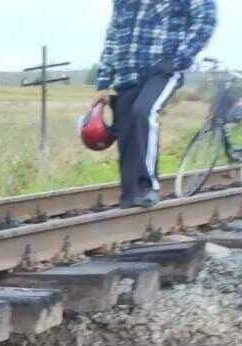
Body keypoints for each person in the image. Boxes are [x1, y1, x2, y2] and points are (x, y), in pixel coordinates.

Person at [92, 0, 217, 208]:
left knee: (144, 112)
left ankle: (148, 186)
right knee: (126, 130)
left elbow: (206, 18)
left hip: (162, 70)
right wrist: (103, 83)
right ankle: (130, 198)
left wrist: (179, 58)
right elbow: (112, 36)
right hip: (126, 74)